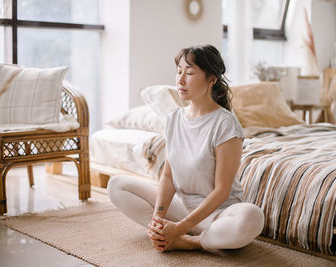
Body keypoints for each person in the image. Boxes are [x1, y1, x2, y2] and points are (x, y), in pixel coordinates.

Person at [107, 44, 264, 253]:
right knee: (117, 184)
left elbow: (222, 191)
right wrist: (158, 217)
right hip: (182, 208)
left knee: (252, 217)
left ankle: (191, 241)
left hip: (218, 214)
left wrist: (181, 228)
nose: (180, 80)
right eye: (179, 71)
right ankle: (164, 233)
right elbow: (168, 177)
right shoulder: (174, 119)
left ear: (212, 79)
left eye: (189, 73)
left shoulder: (226, 124)